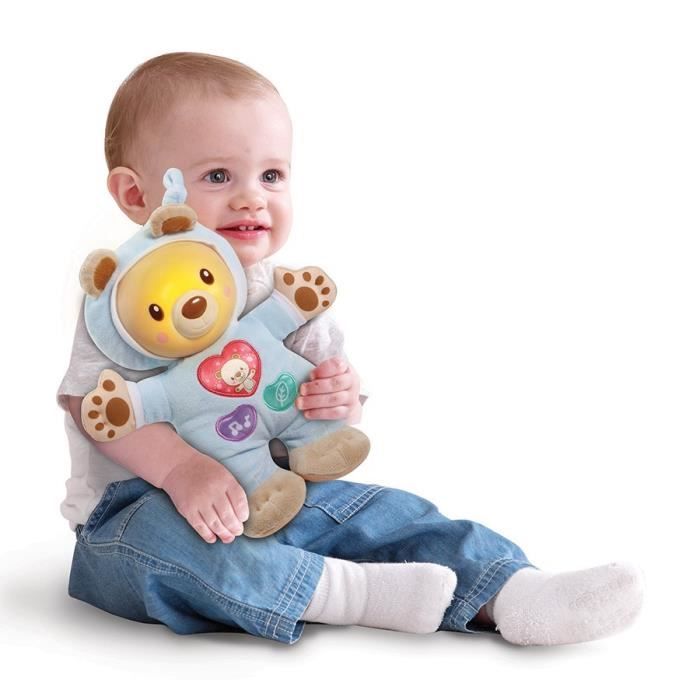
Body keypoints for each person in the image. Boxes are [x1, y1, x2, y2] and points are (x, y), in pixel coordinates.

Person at [58, 52, 643, 645]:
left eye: (271, 176)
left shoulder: (285, 297)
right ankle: (348, 592)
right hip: (138, 508)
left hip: (279, 494)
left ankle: (512, 591)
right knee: (161, 546)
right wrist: (181, 469)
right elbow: (93, 406)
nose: (252, 198)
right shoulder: (122, 297)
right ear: (136, 194)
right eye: (217, 177)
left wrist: (337, 397)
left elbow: (327, 416)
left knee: (385, 514)